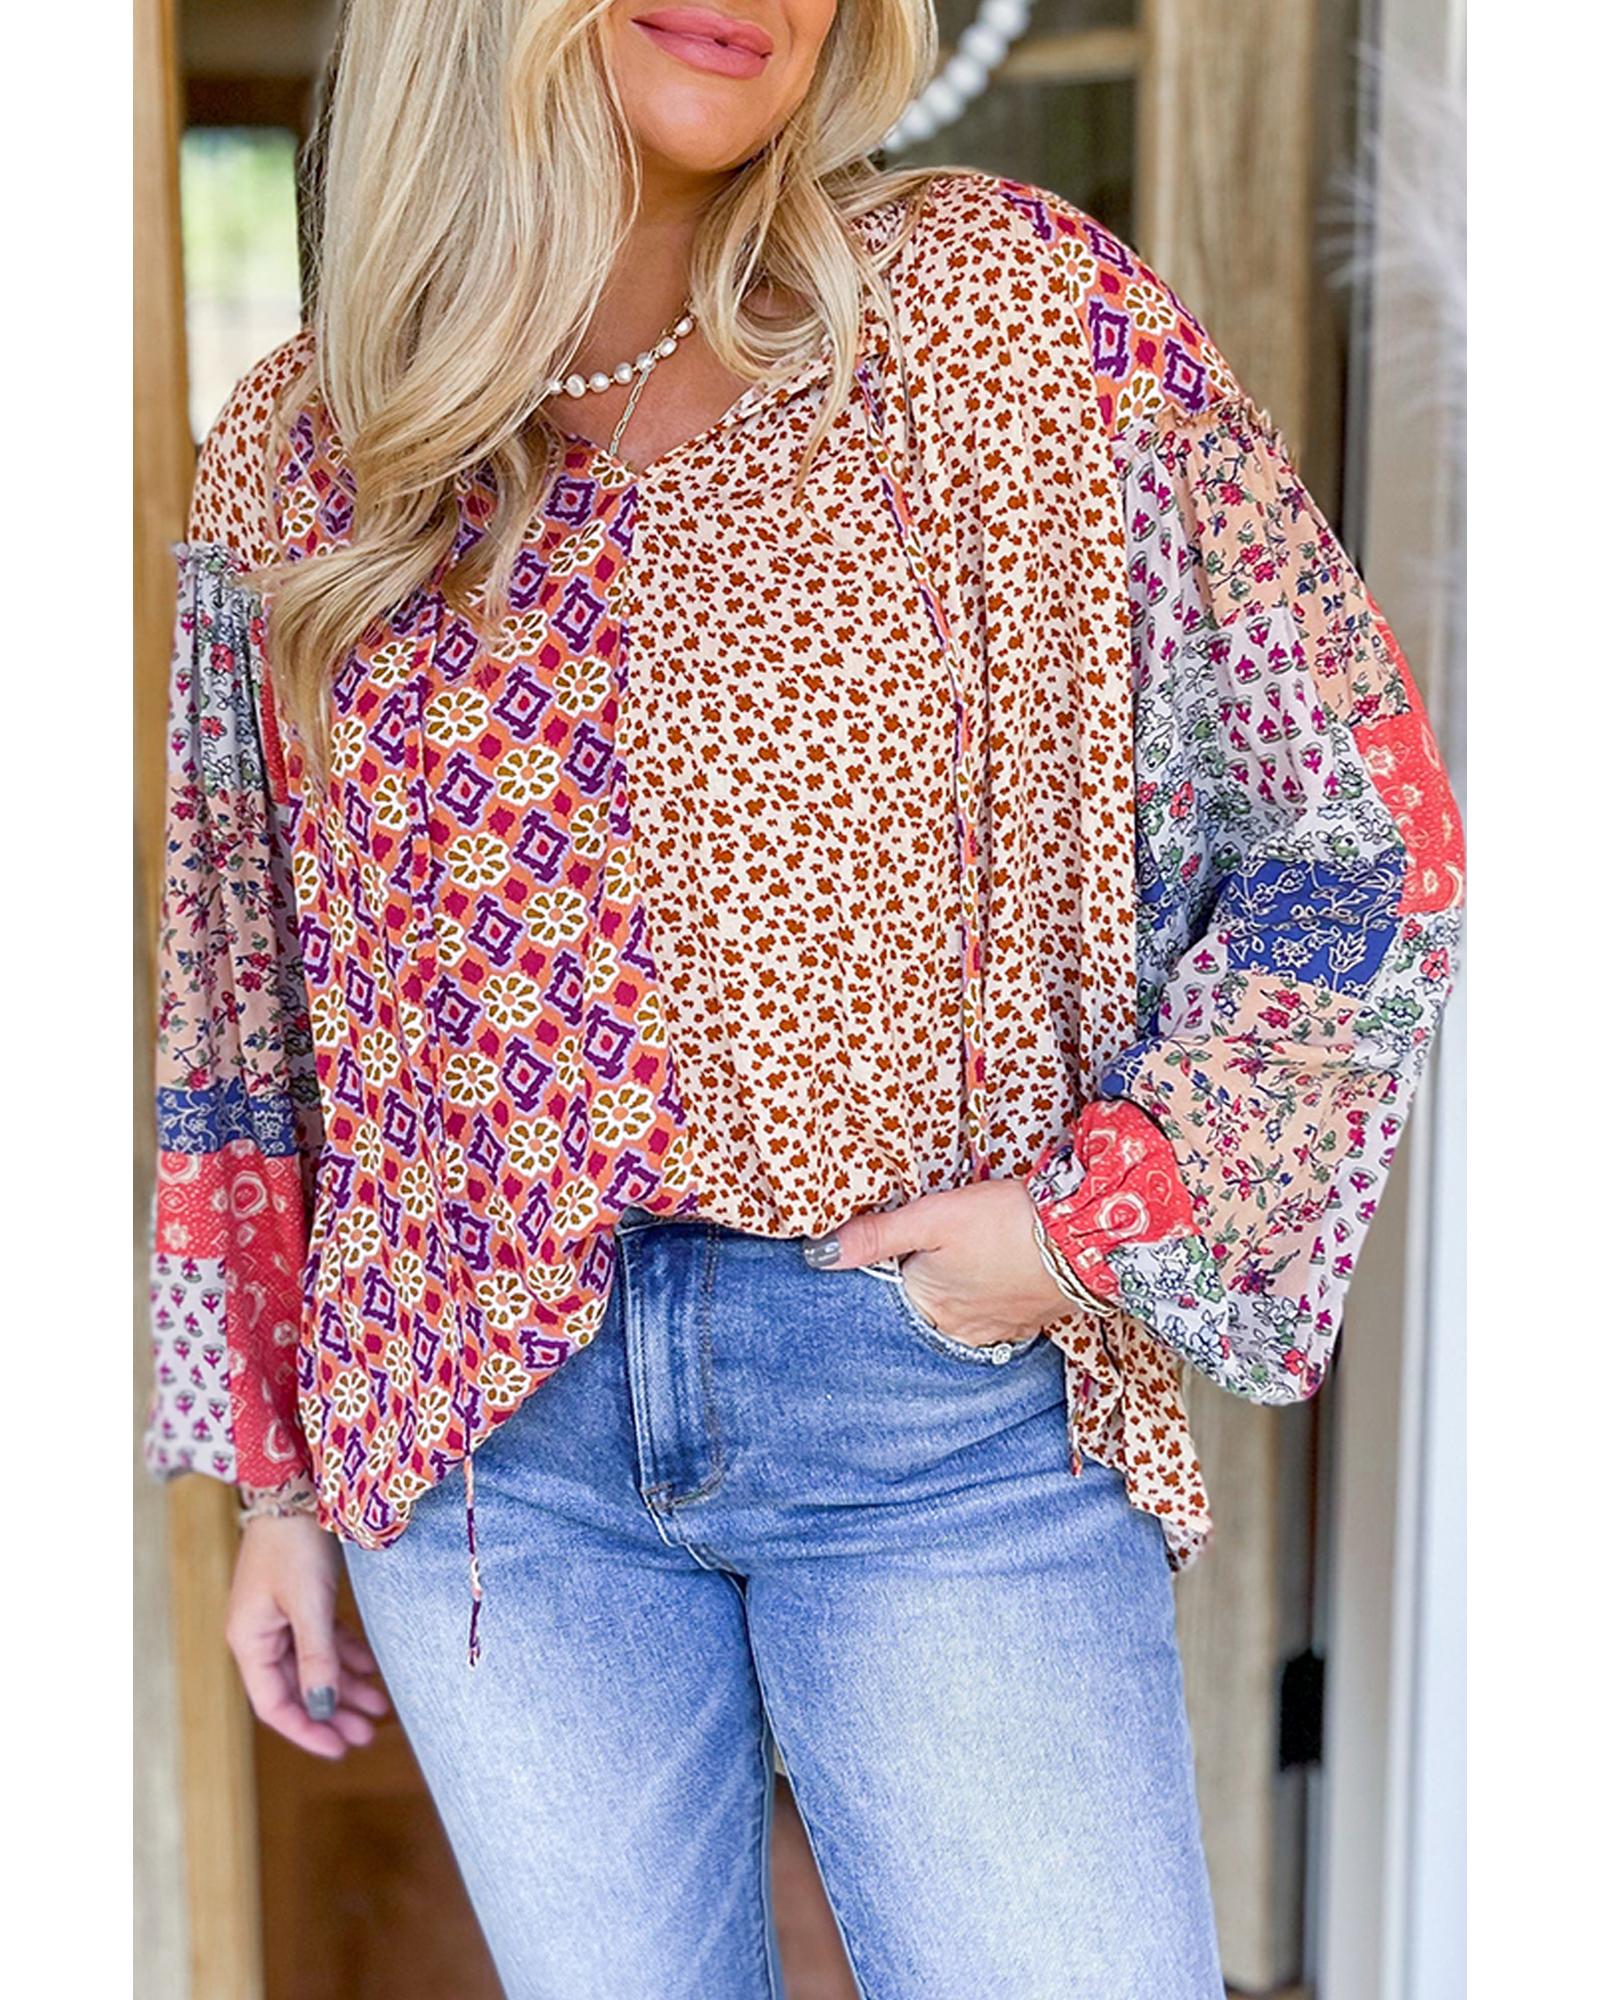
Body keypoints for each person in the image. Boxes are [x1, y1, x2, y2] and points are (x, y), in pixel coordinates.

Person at [144, 1, 1466, 1994]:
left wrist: (1092, 1224)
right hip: (483, 1456)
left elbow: (1359, 833)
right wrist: (277, 1482)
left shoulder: (1005, 322)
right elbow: (241, 1002)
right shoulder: (303, 449)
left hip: (933, 1410)